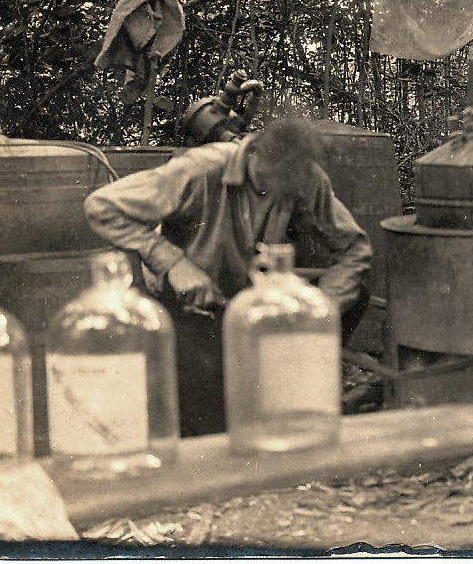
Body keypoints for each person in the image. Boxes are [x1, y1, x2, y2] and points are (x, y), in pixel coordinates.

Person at [84, 117, 372, 436]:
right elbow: (101, 206)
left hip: (252, 302)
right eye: (278, 180)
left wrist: (317, 313)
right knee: (217, 425)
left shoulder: (305, 177)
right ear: (257, 154)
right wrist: (173, 262)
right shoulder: (200, 169)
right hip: (191, 307)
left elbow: (354, 250)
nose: (288, 192)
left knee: (355, 297)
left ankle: (287, 392)